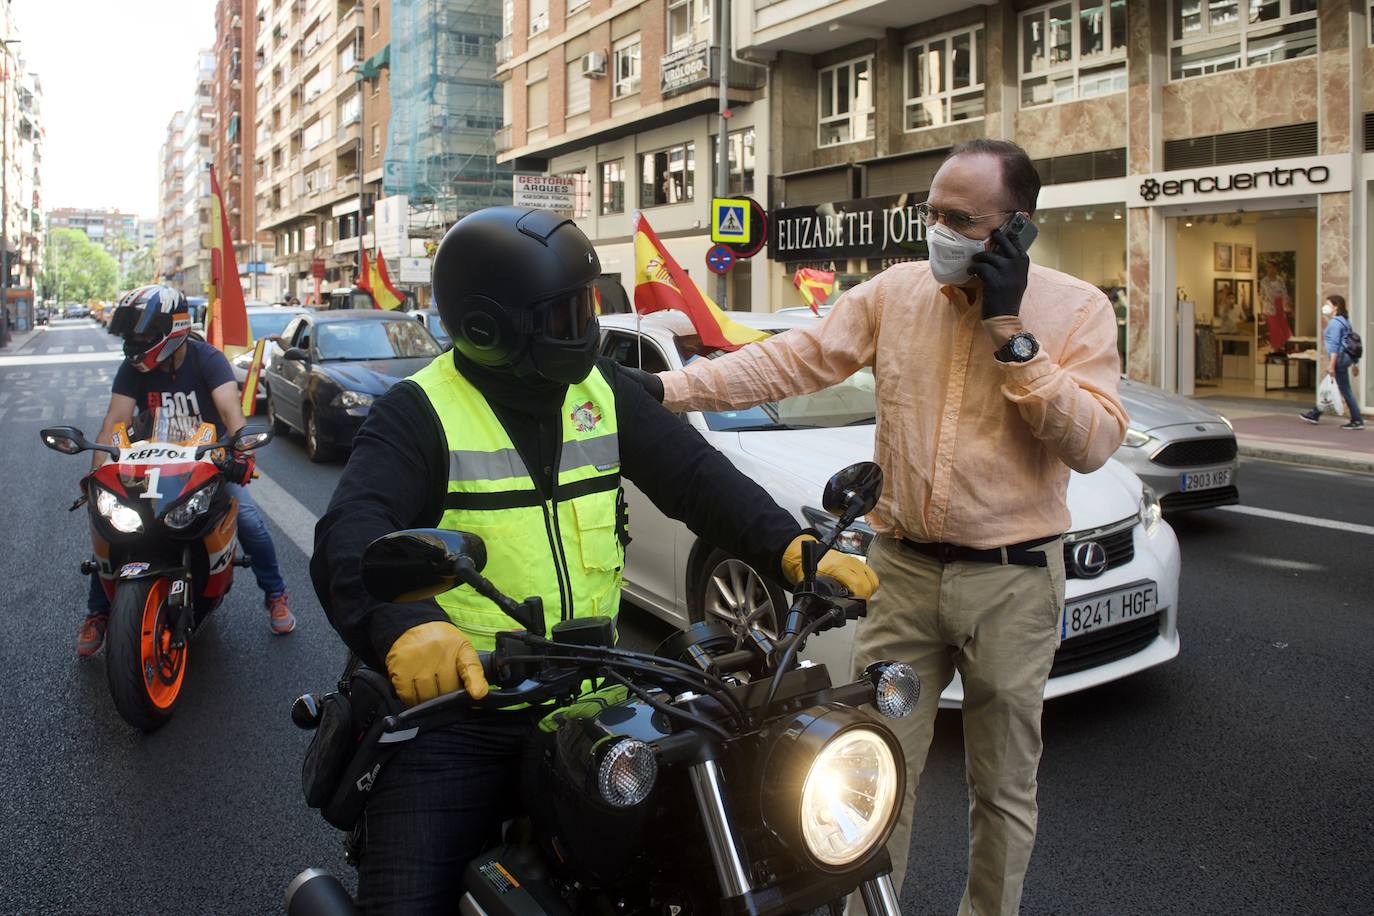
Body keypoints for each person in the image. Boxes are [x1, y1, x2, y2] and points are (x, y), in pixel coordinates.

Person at [310, 207, 877, 915]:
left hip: (593, 696)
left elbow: (696, 477)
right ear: (490, 325)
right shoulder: (418, 410)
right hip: (460, 711)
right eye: (565, 313)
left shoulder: (599, 389)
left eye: (587, 304)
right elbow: (351, 531)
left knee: (680, 872)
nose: (584, 324)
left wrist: (787, 546)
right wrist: (404, 627)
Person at [630, 139, 1127, 916]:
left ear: (1017, 230)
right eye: (931, 213)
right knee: (867, 773)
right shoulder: (895, 294)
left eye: (961, 219)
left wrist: (1011, 336)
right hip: (903, 572)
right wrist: (663, 389)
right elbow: (788, 362)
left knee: (1001, 789)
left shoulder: (1077, 310)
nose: (939, 231)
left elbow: (1094, 444)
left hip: (1013, 582)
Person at [77, 285, 295, 657]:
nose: (135, 343)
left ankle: (275, 594)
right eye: (132, 336)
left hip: (206, 464)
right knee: (111, 526)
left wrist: (241, 454)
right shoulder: (131, 371)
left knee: (251, 524)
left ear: (172, 329)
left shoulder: (207, 359)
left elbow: (231, 414)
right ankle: (98, 612)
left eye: (143, 335)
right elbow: (114, 420)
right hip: (145, 465)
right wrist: (95, 477)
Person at [1301, 294, 1362, 429]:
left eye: (1328, 304)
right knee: (1330, 387)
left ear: (1336, 307)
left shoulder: (1334, 323)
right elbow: (1352, 343)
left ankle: (1357, 420)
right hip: (1346, 358)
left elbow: (1334, 346)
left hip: (1338, 359)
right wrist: (1355, 363)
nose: (1325, 307)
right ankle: (1315, 413)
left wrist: (1331, 365)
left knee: (1344, 390)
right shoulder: (1345, 321)